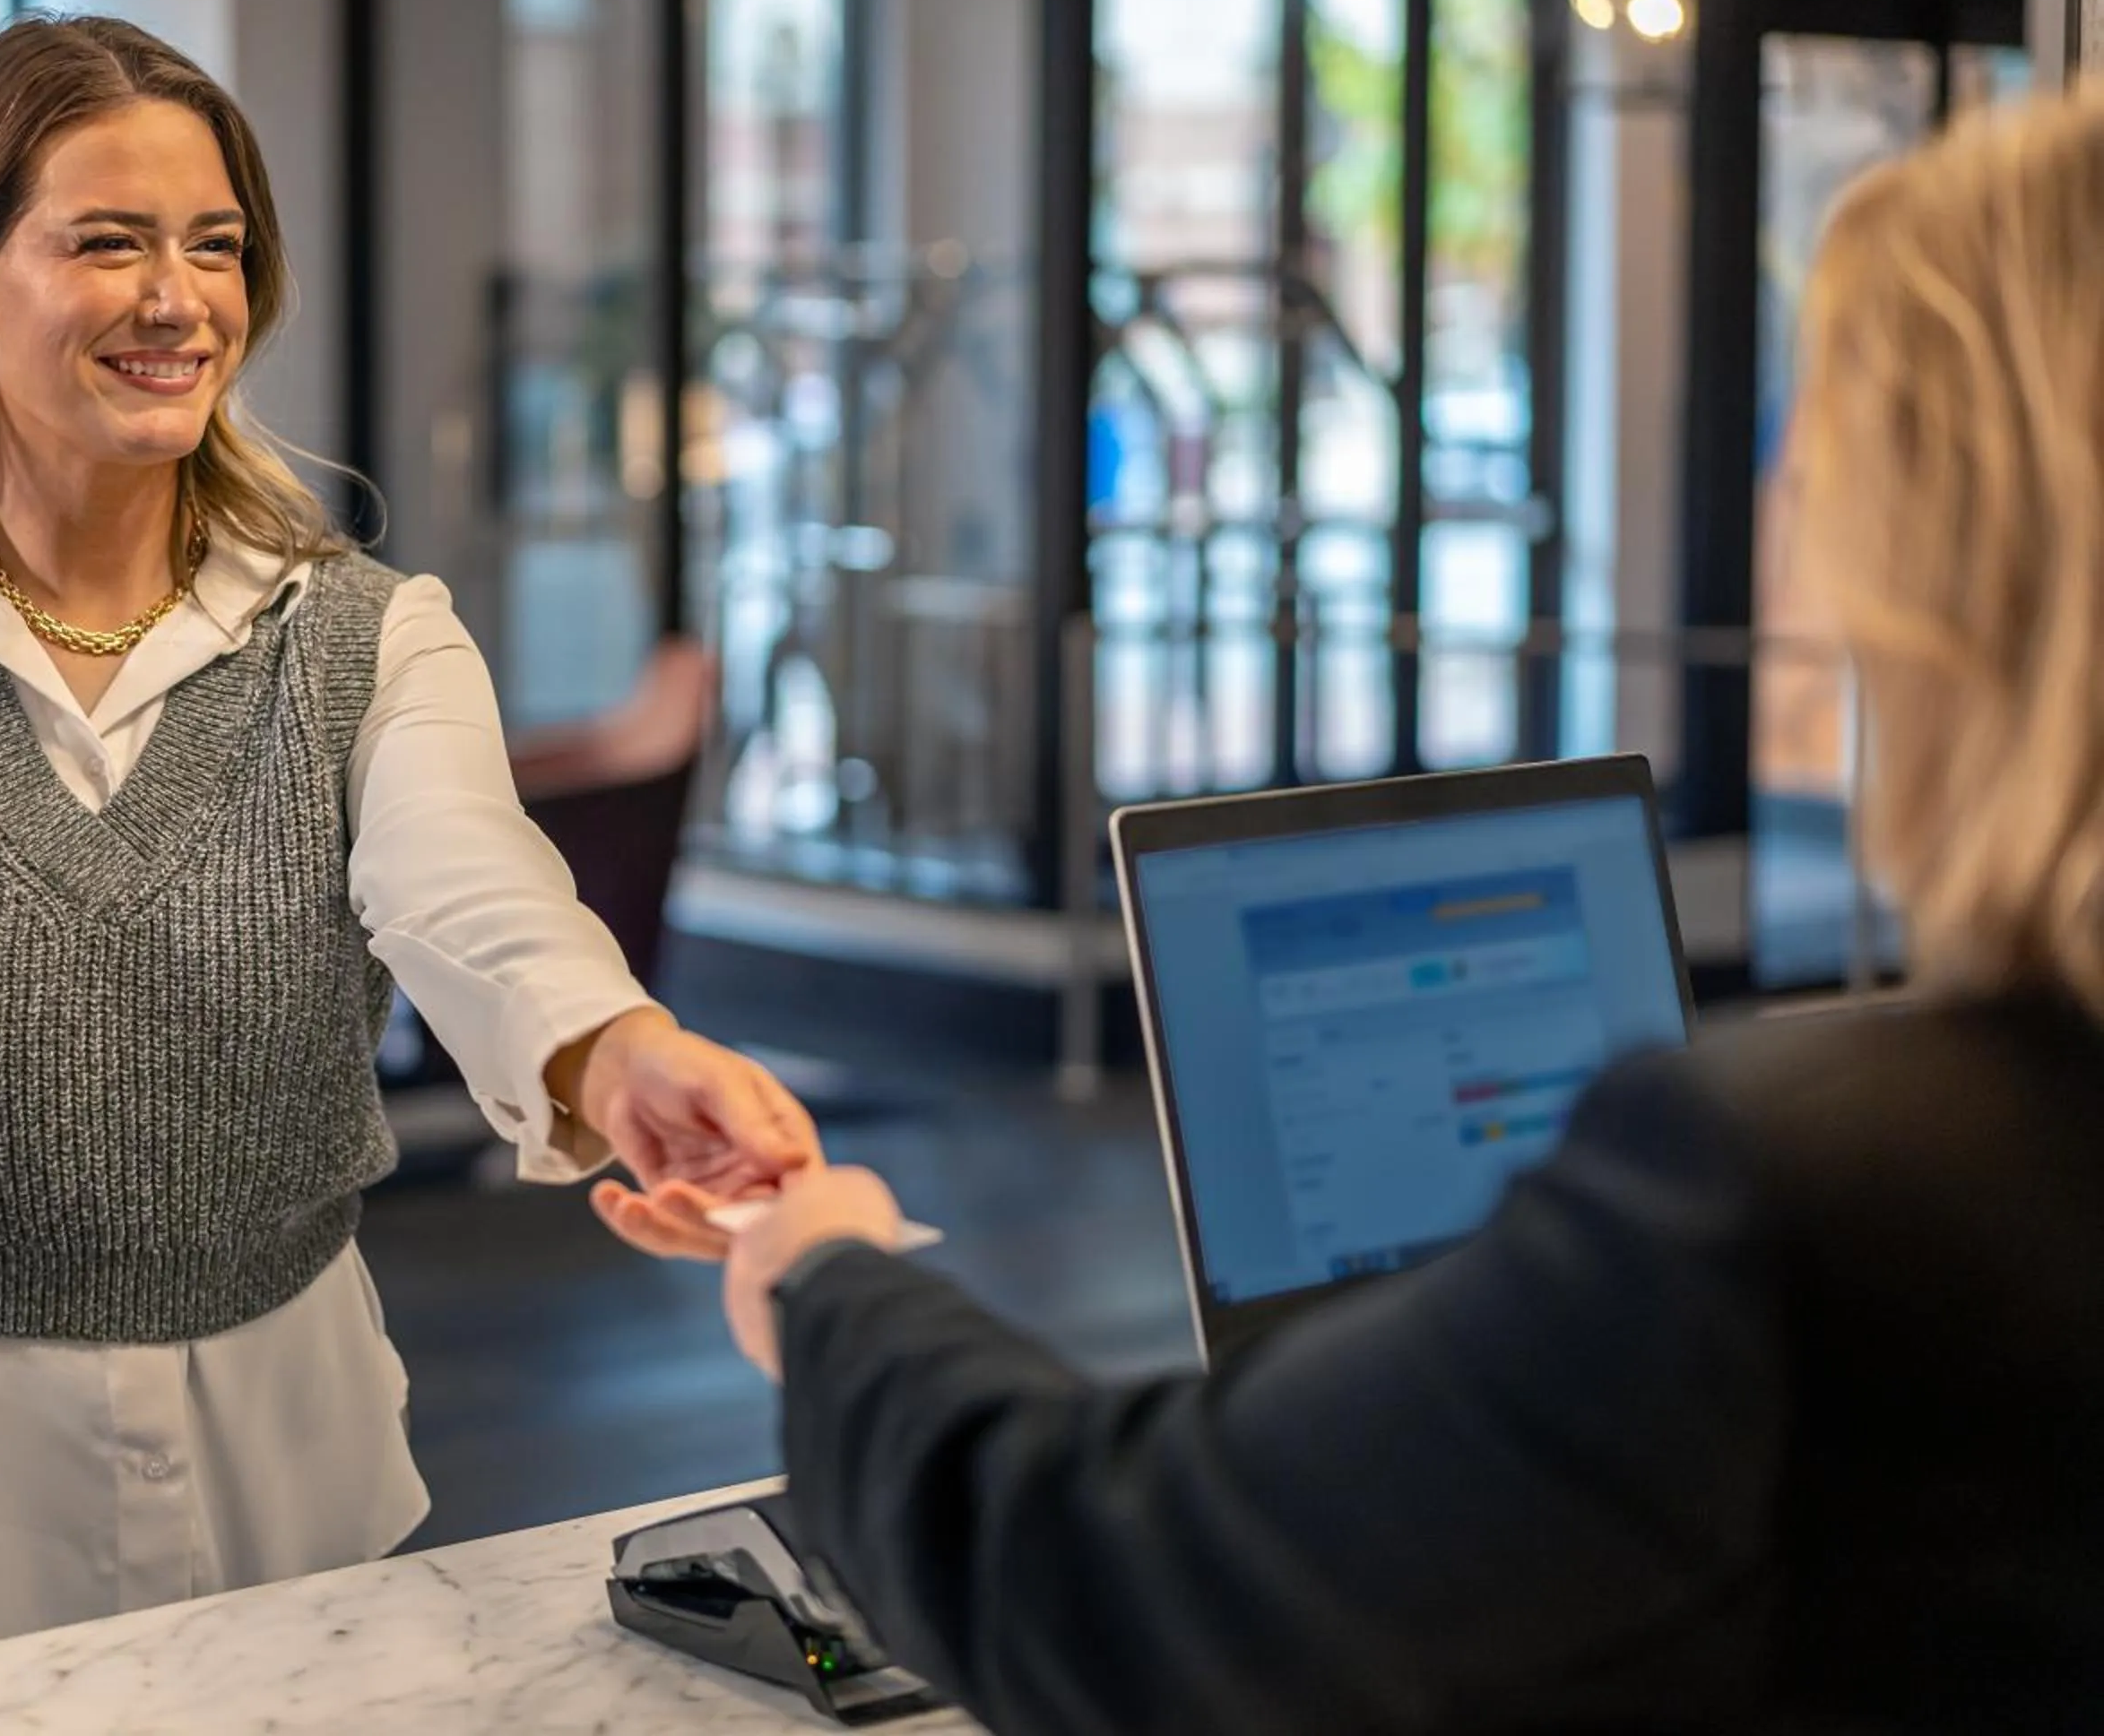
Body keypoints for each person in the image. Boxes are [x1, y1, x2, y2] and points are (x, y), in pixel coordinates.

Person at [676, 91, 2104, 1734]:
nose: (1800, 540)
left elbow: (1123, 1593)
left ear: (1956, 582)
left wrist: (828, 1277)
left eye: (1822, 471)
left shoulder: (1815, 1187)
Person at [0, 13, 808, 1694]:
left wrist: (620, 1053)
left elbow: (474, 889)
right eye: (106, 241)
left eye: (216, 245)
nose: (177, 298)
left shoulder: (369, 637)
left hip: (289, 1513)